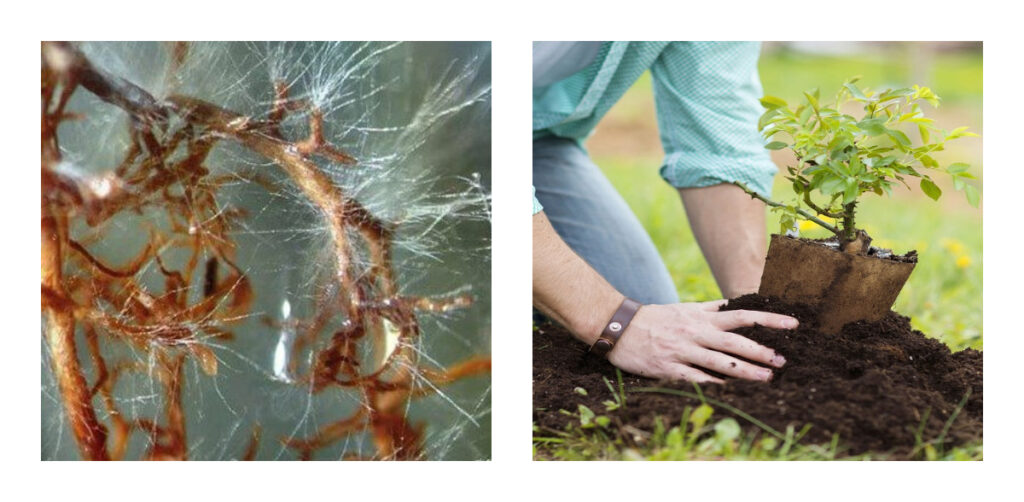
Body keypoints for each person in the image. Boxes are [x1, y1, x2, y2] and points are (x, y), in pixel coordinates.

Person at [532, 41, 798, 383]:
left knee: (648, 310)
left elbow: (719, 140)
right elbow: (477, 173)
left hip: (538, 142)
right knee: (622, 324)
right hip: (451, 129)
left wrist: (759, 320)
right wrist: (612, 321)